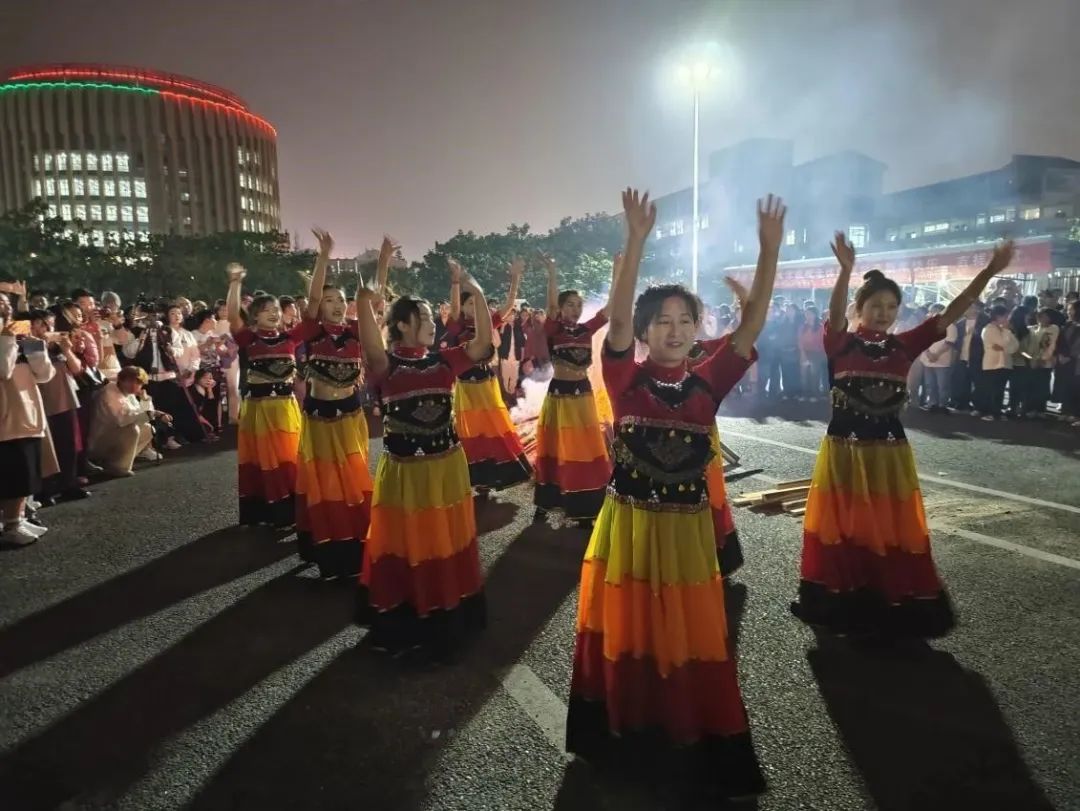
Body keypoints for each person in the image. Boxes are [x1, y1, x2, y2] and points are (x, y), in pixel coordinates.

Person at [566, 190, 783, 802]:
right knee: (632, 626)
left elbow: (754, 324)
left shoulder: (709, 380)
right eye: (663, 320)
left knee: (689, 632)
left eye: (686, 321)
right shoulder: (624, 376)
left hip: (688, 530)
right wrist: (634, 242)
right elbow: (616, 319)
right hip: (628, 527)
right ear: (644, 329)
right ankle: (627, 732)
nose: (676, 330)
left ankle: (688, 735)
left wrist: (770, 252)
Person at [790, 234, 1015, 638]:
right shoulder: (839, 343)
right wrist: (844, 272)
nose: (883, 313)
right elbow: (836, 310)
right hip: (845, 453)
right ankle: (839, 600)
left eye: (891, 307)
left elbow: (952, 312)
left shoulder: (904, 345)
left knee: (889, 526)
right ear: (861, 307)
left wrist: (988, 272)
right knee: (847, 524)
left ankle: (889, 600)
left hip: (889, 454)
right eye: (875, 305)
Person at [353, 269, 493, 659]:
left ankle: (448, 606)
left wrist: (478, 293)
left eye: (433, 317)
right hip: (406, 470)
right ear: (401, 325)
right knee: (409, 539)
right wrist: (364, 302)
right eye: (424, 318)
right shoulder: (387, 366)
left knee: (445, 536)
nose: (432, 323)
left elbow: (483, 343)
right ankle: (409, 614)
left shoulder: (444, 361)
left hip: (446, 465)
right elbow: (369, 346)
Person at [292, 228, 373, 579]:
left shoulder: (356, 330)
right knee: (326, 481)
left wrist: (383, 262)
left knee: (354, 479)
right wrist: (323, 257)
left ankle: (358, 543)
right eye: (330, 300)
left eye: (341, 299)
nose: (337, 304)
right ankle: (328, 547)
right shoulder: (312, 331)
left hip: (351, 412)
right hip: (320, 416)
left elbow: (376, 302)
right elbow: (310, 299)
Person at [532, 253, 614, 522]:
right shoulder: (554, 329)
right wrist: (553, 273)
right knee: (556, 448)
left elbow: (610, 309)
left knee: (584, 448)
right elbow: (550, 305)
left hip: (583, 395)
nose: (575, 309)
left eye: (579, 305)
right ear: (561, 307)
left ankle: (585, 503)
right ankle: (547, 503)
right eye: (570, 305)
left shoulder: (586, 330)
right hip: (559, 396)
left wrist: (618, 271)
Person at [445, 257, 531, 492]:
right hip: (465, 385)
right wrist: (455, 281)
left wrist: (515, 278)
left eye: (477, 303)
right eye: (469, 304)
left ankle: (496, 473)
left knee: (492, 426)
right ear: (462, 308)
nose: (473, 308)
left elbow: (509, 305)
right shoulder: (458, 326)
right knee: (470, 430)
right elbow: (453, 308)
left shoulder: (488, 323)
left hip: (486, 383)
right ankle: (478, 477)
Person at [226, 263, 302, 528]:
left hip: (285, 408)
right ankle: (266, 513)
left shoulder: (290, 339)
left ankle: (292, 511)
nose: (272, 314)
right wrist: (235, 283)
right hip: (259, 409)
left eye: (276, 310)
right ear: (254, 317)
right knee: (262, 459)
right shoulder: (249, 339)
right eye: (265, 310)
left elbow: (314, 318)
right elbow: (233, 316)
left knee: (289, 458)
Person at [0, 294, 56, 546]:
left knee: (26, 472)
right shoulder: (7, 337)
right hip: (6, 417)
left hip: (29, 412)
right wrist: (9, 339)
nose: (5, 308)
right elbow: (3, 369)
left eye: (7, 304)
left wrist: (34, 347)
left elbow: (44, 376)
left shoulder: (16, 336)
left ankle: (18, 519)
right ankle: (10, 524)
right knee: (12, 472)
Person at [87, 366, 168, 475]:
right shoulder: (110, 393)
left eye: (139, 383)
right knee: (132, 429)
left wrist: (145, 400)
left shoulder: (128, 394)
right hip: (99, 440)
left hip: (113, 436)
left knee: (147, 429)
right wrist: (151, 414)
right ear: (121, 380)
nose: (136, 386)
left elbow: (140, 415)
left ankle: (117, 463)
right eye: (132, 382)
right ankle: (118, 467)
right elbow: (123, 419)